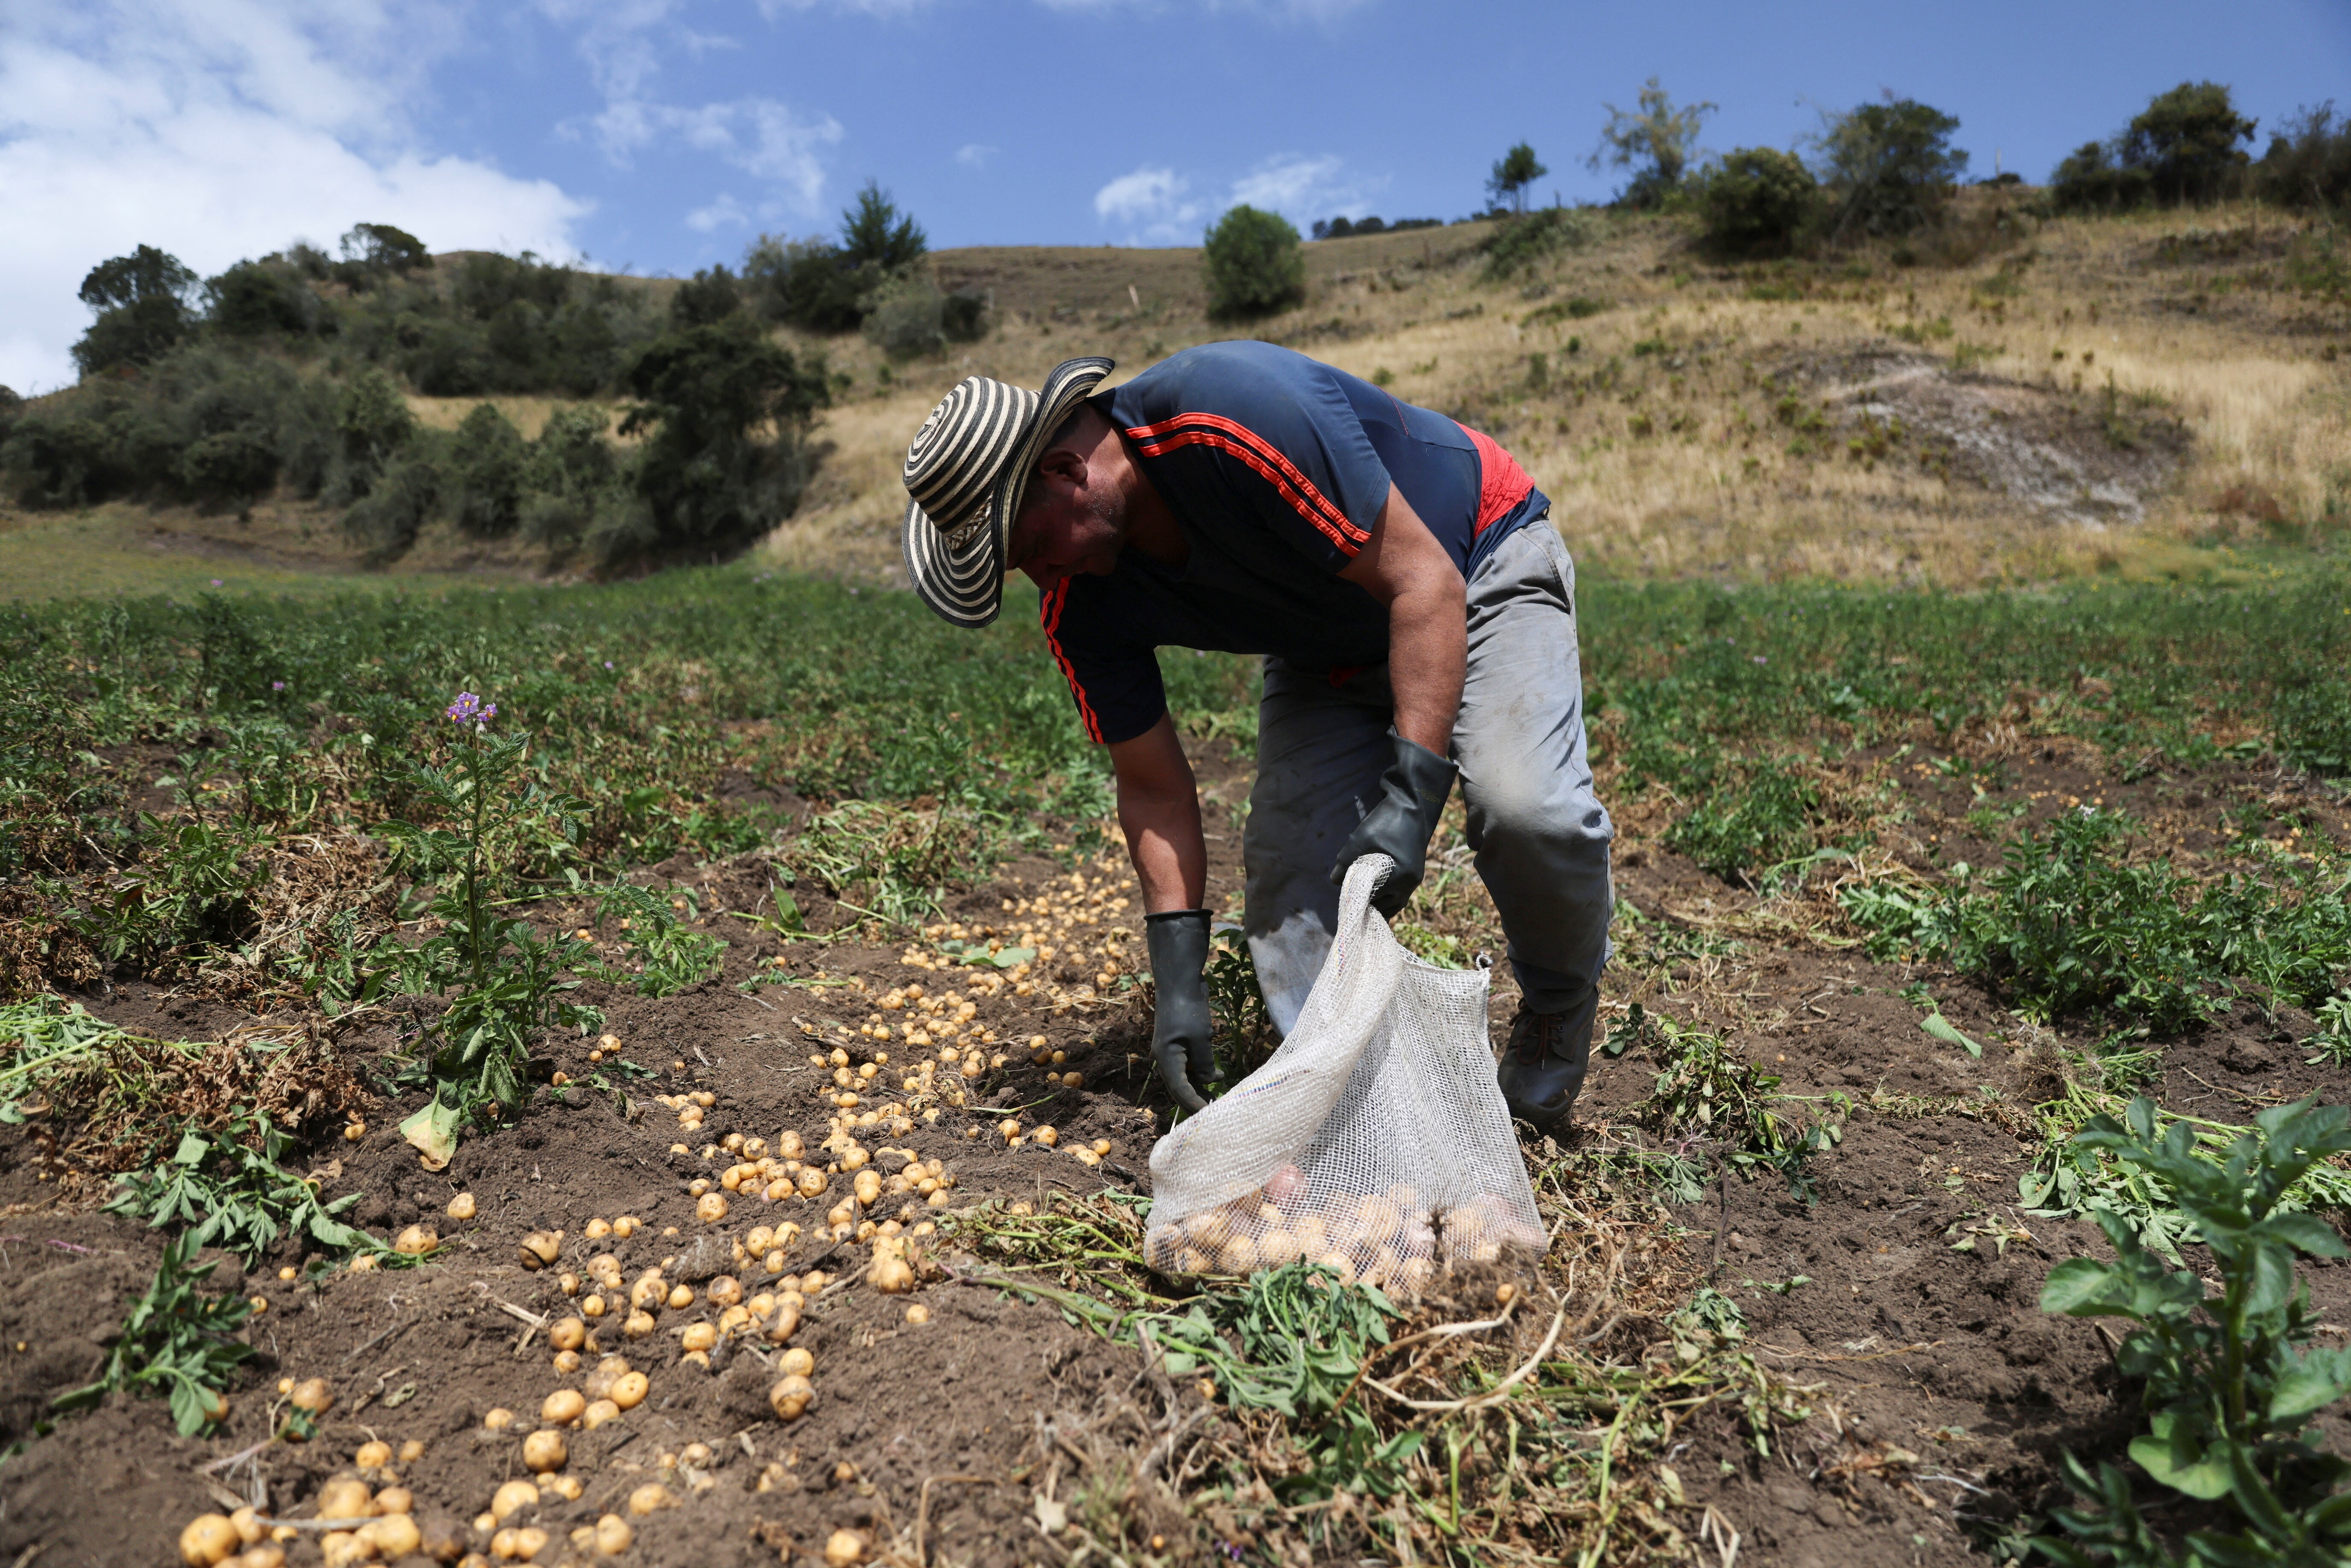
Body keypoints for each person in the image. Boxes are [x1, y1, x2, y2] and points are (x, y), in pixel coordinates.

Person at [897, 342, 1611, 1134]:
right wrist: (1177, 981)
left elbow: (1422, 583)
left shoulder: (1230, 416)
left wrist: (1411, 799)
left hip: (1472, 558)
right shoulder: (1084, 603)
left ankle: (1554, 1005)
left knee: (1528, 810)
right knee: (1290, 891)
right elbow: (1153, 786)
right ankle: (1357, 1112)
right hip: (1327, 646)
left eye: (1031, 551)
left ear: (1066, 473)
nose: (1043, 578)